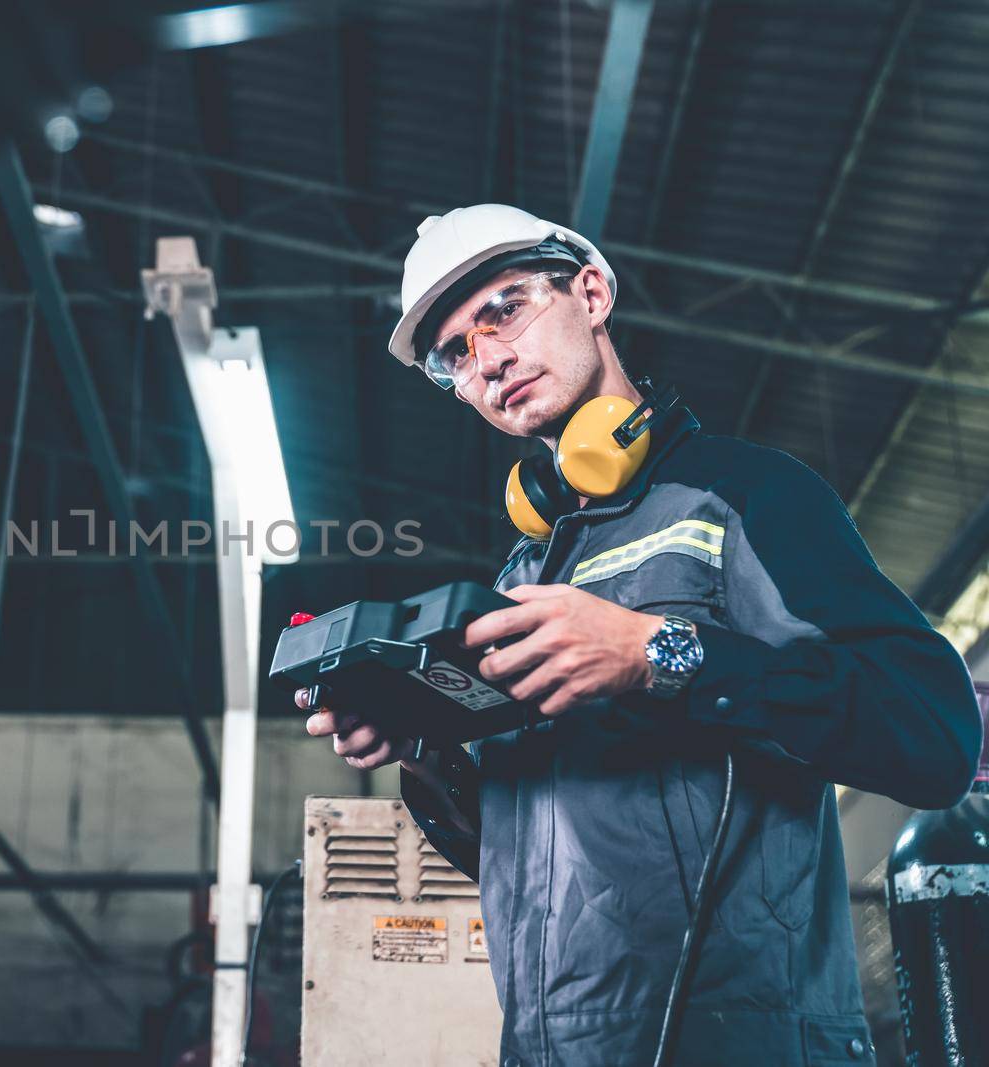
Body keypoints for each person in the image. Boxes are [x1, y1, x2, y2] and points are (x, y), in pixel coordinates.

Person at [296, 204, 984, 1066]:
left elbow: (932, 734)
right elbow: (509, 852)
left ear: (589, 291)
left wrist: (656, 654)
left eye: (503, 309)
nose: (489, 360)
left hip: (746, 1042)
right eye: (454, 355)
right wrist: (427, 739)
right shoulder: (521, 577)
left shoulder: (742, 497)